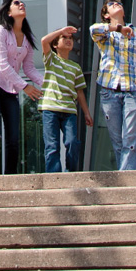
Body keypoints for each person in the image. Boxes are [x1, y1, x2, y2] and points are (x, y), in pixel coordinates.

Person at [89, 0, 136, 171]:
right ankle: (125, 177)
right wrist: (120, 29)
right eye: (112, 4)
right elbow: (93, 29)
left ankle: (125, 178)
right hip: (109, 91)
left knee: (130, 139)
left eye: (119, 3)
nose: (117, 4)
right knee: (118, 141)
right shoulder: (105, 34)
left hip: (133, 90)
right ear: (106, 14)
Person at [0, 0, 42, 175]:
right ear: (8, 11)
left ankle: (12, 177)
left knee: (13, 137)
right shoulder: (1, 31)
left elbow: (29, 68)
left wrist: (47, 84)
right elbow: (2, 64)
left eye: (23, 3)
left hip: (9, 89)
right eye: (16, 3)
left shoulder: (27, 38)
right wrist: (24, 87)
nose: (21, 4)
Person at [39, 25, 91, 173]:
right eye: (64, 38)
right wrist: (60, 31)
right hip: (50, 109)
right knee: (52, 145)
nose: (68, 40)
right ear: (55, 44)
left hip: (69, 110)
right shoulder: (51, 60)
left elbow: (79, 92)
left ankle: (71, 173)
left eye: (70, 38)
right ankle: (54, 177)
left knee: (72, 142)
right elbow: (44, 41)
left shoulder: (76, 67)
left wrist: (86, 113)